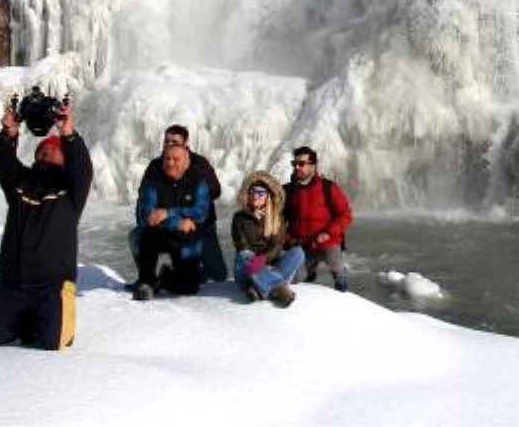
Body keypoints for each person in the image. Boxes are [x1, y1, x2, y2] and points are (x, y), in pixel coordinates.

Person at [0, 102, 92, 350]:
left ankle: (43, 319)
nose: (47, 153)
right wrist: (9, 134)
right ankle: (25, 319)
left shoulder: (71, 191)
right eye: (42, 150)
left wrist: (67, 134)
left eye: (53, 150)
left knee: (53, 342)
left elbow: (82, 167)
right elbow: (3, 161)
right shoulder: (19, 184)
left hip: (52, 287)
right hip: (12, 284)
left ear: (63, 156)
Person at [128, 125, 227, 283]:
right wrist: (171, 219)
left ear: (185, 144)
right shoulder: (155, 167)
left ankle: (186, 273)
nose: (169, 144)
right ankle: (149, 279)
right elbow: (144, 203)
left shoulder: (199, 165)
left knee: (218, 276)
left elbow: (213, 193)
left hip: (200, 226)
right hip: (168, 226)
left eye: (175, 141)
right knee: (137, 236)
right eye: (167, 141)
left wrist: (185, 192)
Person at [131, 143, 210, 300]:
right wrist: (178, 221)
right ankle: (147, 281)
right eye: (167, 159)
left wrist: (168, 212)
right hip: (161, 234)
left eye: (176, 159)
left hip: (185, 237)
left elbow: (201, 212)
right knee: (148, 233)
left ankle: (167, 277)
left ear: (186, 161)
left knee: (189, 289)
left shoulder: (198, 181)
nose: (171, 163)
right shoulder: (153, 181)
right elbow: (149, 216)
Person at [283, 145, 353, 292]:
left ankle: (341, 277)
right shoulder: (287, 191)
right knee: (295, 282)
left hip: (327, 242)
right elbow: (279, 219)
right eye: (294, 163)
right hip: (301, 246)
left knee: (339, 278)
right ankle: (310, 271)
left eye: (301, 164)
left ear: (313, 166)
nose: (296, 167)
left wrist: (328, 232)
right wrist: (286, 238)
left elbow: (345, 215)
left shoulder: (328, 188)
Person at [231, 171, 305, 306]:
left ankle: (258, 288)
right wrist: (259, 263)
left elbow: (276, 246)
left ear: (268, 197)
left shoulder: (277, 218)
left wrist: (264, 261)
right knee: (244, 255)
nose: (256, 196)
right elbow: (241, 245)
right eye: (253, 192)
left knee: (298, 253)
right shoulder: (240, 217)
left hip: (268, 264)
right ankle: (278, 288)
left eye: (261, 193)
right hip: (248, 269)